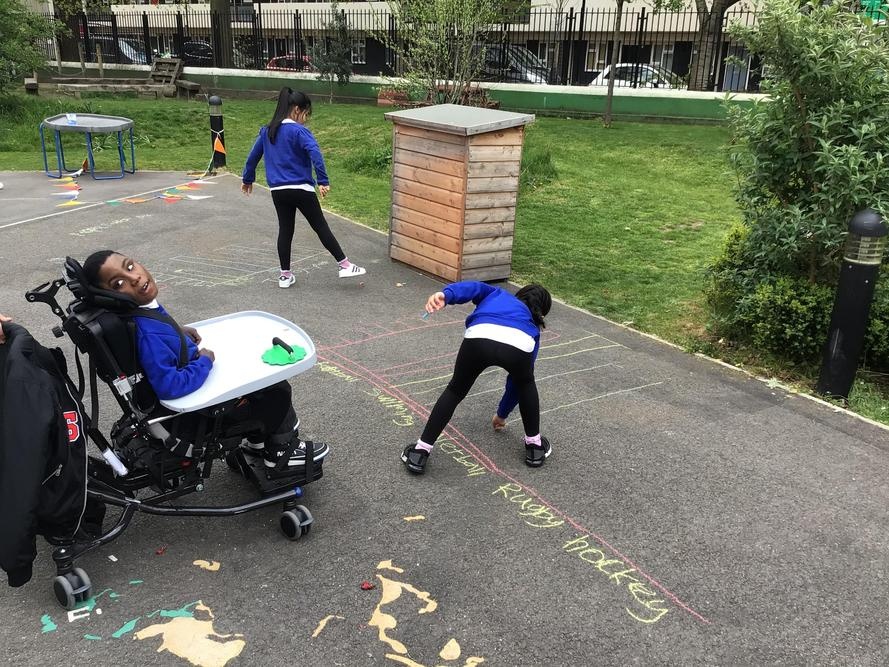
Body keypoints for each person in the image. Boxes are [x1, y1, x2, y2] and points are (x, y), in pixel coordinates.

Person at [82, 250, 328, 471]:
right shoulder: (148, 335)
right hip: (192, 420)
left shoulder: (138, 312)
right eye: (119, 283)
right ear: (108, 297)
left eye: (130, 266)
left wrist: (177, 331)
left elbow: (157, 333)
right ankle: (281, 454)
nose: (133, 277)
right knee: (276, 390)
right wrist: (205, 362)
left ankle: (257, 445)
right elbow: (170, 386)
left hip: (178, 408)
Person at [401, 282, 553, 474]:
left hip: (480, 335)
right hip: (519, 342)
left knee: (455, 390)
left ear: (518, 295)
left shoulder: (497, 293)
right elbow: (515, 387)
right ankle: (535, 448)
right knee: (525, 384)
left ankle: (420, 452)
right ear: (541, 313)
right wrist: (501, 415)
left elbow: (474, 287)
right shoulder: (531, 327)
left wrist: (446, 295)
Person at [241, 87, 365, 288]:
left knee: (285, 229)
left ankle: (285, 276)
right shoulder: (299, 131)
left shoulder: (267, 131)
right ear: (297, 109)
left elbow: (252, 157)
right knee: (320, 226)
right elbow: (315, 153)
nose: (305, 120)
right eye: (306, 115)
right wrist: (323, 181)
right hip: (301, 188)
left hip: (278, 191)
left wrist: (247, 179)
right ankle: (344, 265)